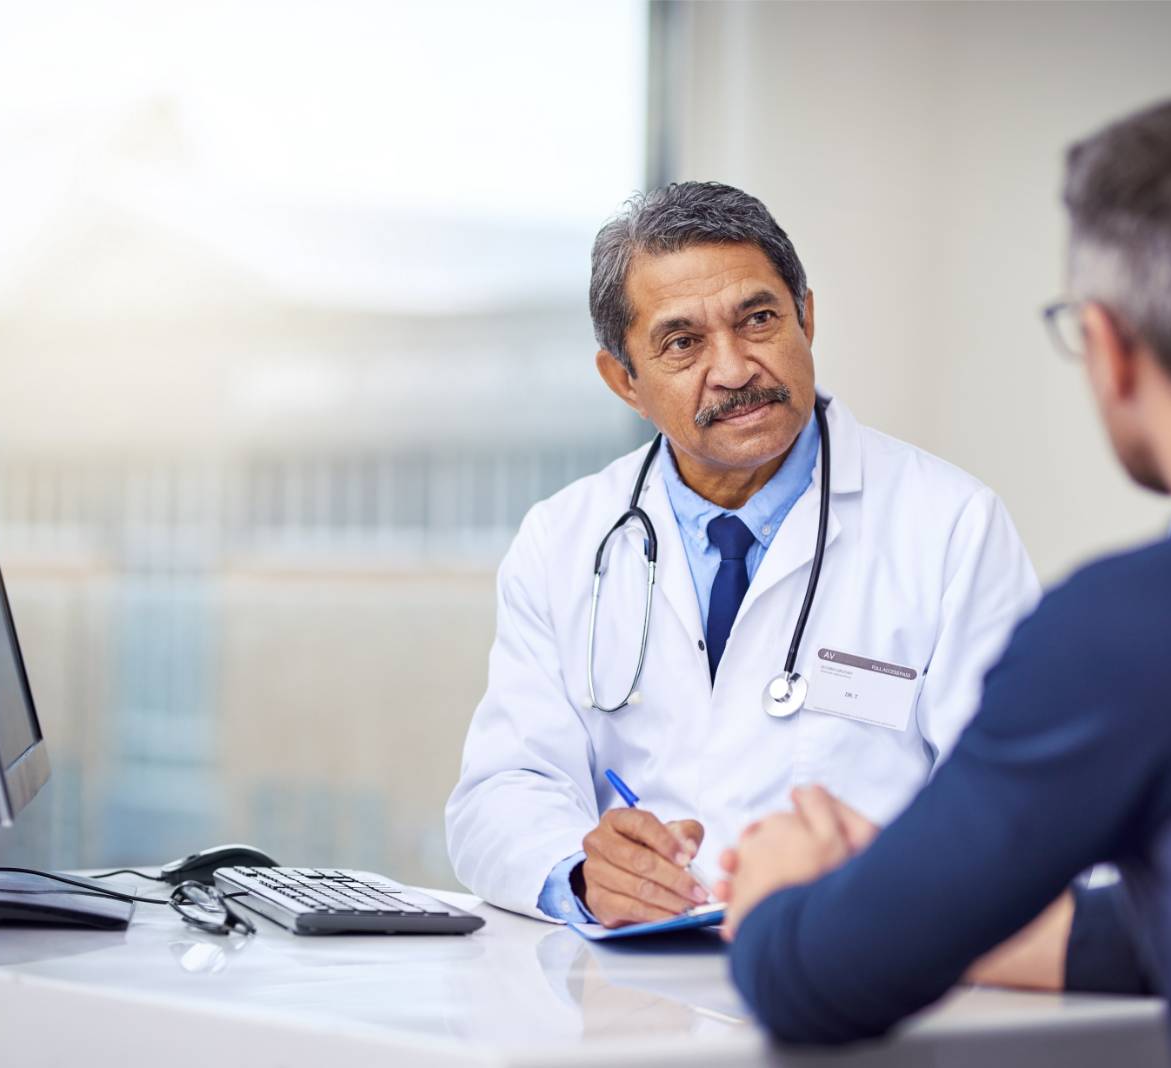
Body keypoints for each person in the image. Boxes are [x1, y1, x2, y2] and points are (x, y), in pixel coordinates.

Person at [719, 95, 1171, 1067]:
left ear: (1110, 347)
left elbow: (814, 981)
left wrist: (779, 894)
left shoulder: (1138, 625)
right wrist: (921, 886)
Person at [445, 182, 1041, 929]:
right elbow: (503, 789)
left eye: (758, 319)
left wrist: (880, 879)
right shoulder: (563, 539)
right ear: (623, 380)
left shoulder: (951, 526)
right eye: (682, 342)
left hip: (852, 973)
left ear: (807, 317)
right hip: (630, 1001)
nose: (733, 369)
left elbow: (1015, 798)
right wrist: (583, 870)